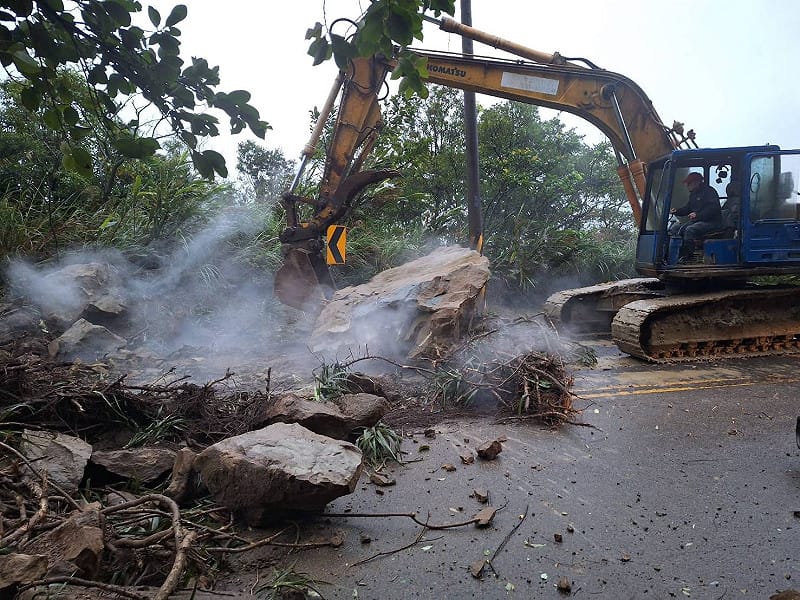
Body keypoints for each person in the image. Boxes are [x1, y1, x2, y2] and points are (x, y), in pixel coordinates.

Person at [668, 172, 723, 260]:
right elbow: (688, 208)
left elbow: (713, 208)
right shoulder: (693, 194)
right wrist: (677, 211)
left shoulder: (709, 192)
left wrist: (698, 214)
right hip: (699, 221)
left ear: (697, 182)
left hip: (712, 222)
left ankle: (688, 256)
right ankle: (675, 255)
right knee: (676, 228)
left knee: (690, 230)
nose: (687, 186)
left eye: (689, 183)